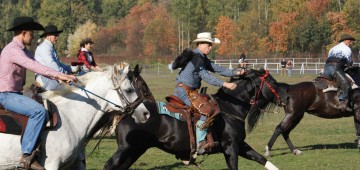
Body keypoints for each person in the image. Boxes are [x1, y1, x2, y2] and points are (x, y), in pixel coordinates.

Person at [0, 16, 77, 170]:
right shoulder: (13, 50)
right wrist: (59, 75)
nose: (34, 36)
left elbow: (38, 64)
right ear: (23, 33)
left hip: (15, 93)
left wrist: (63, 76)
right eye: (31, 33)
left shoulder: (23, 50)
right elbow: (34, 67)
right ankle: (27, 155)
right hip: (6, 95)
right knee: (39, 112)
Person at [174, 32, 245, 154]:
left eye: (211, 45)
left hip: (190, 91)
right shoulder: (197, 58)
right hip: (184, 91)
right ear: (200, 44)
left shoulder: (201, 57)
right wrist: (225, 84)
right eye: (208, 45)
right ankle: (200, 143)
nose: (210, 47)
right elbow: (206, 76)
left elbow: (218, 69)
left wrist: (236, 72)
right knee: (206, 109)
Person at [35, 25, 79, 90]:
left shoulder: (50, 47)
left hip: (52, 75)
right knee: (65, 92)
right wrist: (66, 75)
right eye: (55, 35)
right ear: (48, 35)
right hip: (44, 76)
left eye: (57, 35)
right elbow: (52, 65)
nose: (57, 37)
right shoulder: (44, 47)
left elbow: (58, 64)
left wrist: (72, 69)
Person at [323, 34, 356, 111]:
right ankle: (343, 102)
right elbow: (349, 63)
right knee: (346, 83)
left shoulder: (332, 48)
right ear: (346, 40)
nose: (350, 42)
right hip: (335, 68)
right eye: (350, 41)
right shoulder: (347, 49)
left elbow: (329, 59)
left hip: (326, 68)